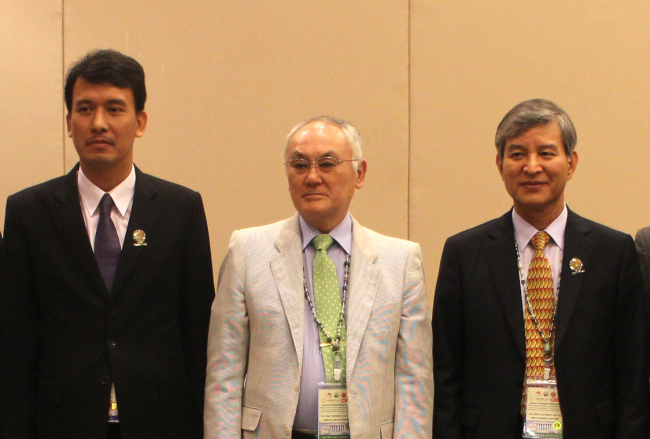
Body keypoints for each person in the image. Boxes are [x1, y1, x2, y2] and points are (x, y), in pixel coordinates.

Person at [0, 49, 215, 439]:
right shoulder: (28, 212)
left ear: (140, 122)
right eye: (85, 109)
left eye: (115, 109)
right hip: (62, 424)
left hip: (160, 422)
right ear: (69, 122)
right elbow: (15, 343)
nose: (98, 123)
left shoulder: (180, 209)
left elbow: (199, 334)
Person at [204, 116, 433, 438]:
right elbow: (223, 374)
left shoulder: (400, 260)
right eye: (299, 165)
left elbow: (414, 380)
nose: (312, 177)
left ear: (360, 173)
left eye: (327, 164)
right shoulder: (247, 251)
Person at [433, 99, 648, 438]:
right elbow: (446, 372)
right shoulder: (464, 252)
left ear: (571, 163)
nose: (532, 167)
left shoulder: (613, 251)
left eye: (546, 154)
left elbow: (633, 371)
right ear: (499, 163)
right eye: (518, 154)